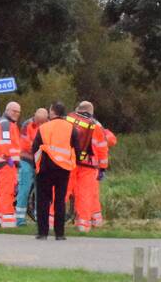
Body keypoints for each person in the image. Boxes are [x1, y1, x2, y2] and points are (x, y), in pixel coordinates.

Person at [32, 102, 75, 240]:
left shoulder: (44, 127)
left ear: (52, 112)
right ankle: (60, 234)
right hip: (63, 169)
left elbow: (34, 148)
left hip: (45, 169)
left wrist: (36, 165)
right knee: (60, 201)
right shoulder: (71, 128)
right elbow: (77, 147)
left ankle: (43, 233)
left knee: (43, 201)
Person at [65, 101, 104, 233]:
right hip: (88, 165)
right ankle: (83, 225)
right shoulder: (96, 126)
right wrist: (102, 167)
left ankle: (52, 220)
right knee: (84, 195)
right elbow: (102, 148)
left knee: (63, 191)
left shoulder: (69, 120)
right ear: (91, 111)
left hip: (69, 161)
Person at [0, 101, 22, 228]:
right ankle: (8, 221)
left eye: (18, 112)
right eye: (14, 111)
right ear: (7, 110)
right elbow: (5, 145)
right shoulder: (6, 125)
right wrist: (10, 160)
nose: (16, 114)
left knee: (2, 191)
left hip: (3, 161)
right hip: (6, 162)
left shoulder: (6, 123)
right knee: (7, 192)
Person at [16, 107, 48, 226]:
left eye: (42, 121)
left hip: (41, 162)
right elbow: (25, 144)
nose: (40, 123)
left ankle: (39, 219)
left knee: (41, 191)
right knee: (24, 189)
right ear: (34, 115)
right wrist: (41, 148)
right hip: (27, 160)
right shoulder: (27, 124)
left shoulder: (49, 125)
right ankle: (19, 220)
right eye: (38, 120)